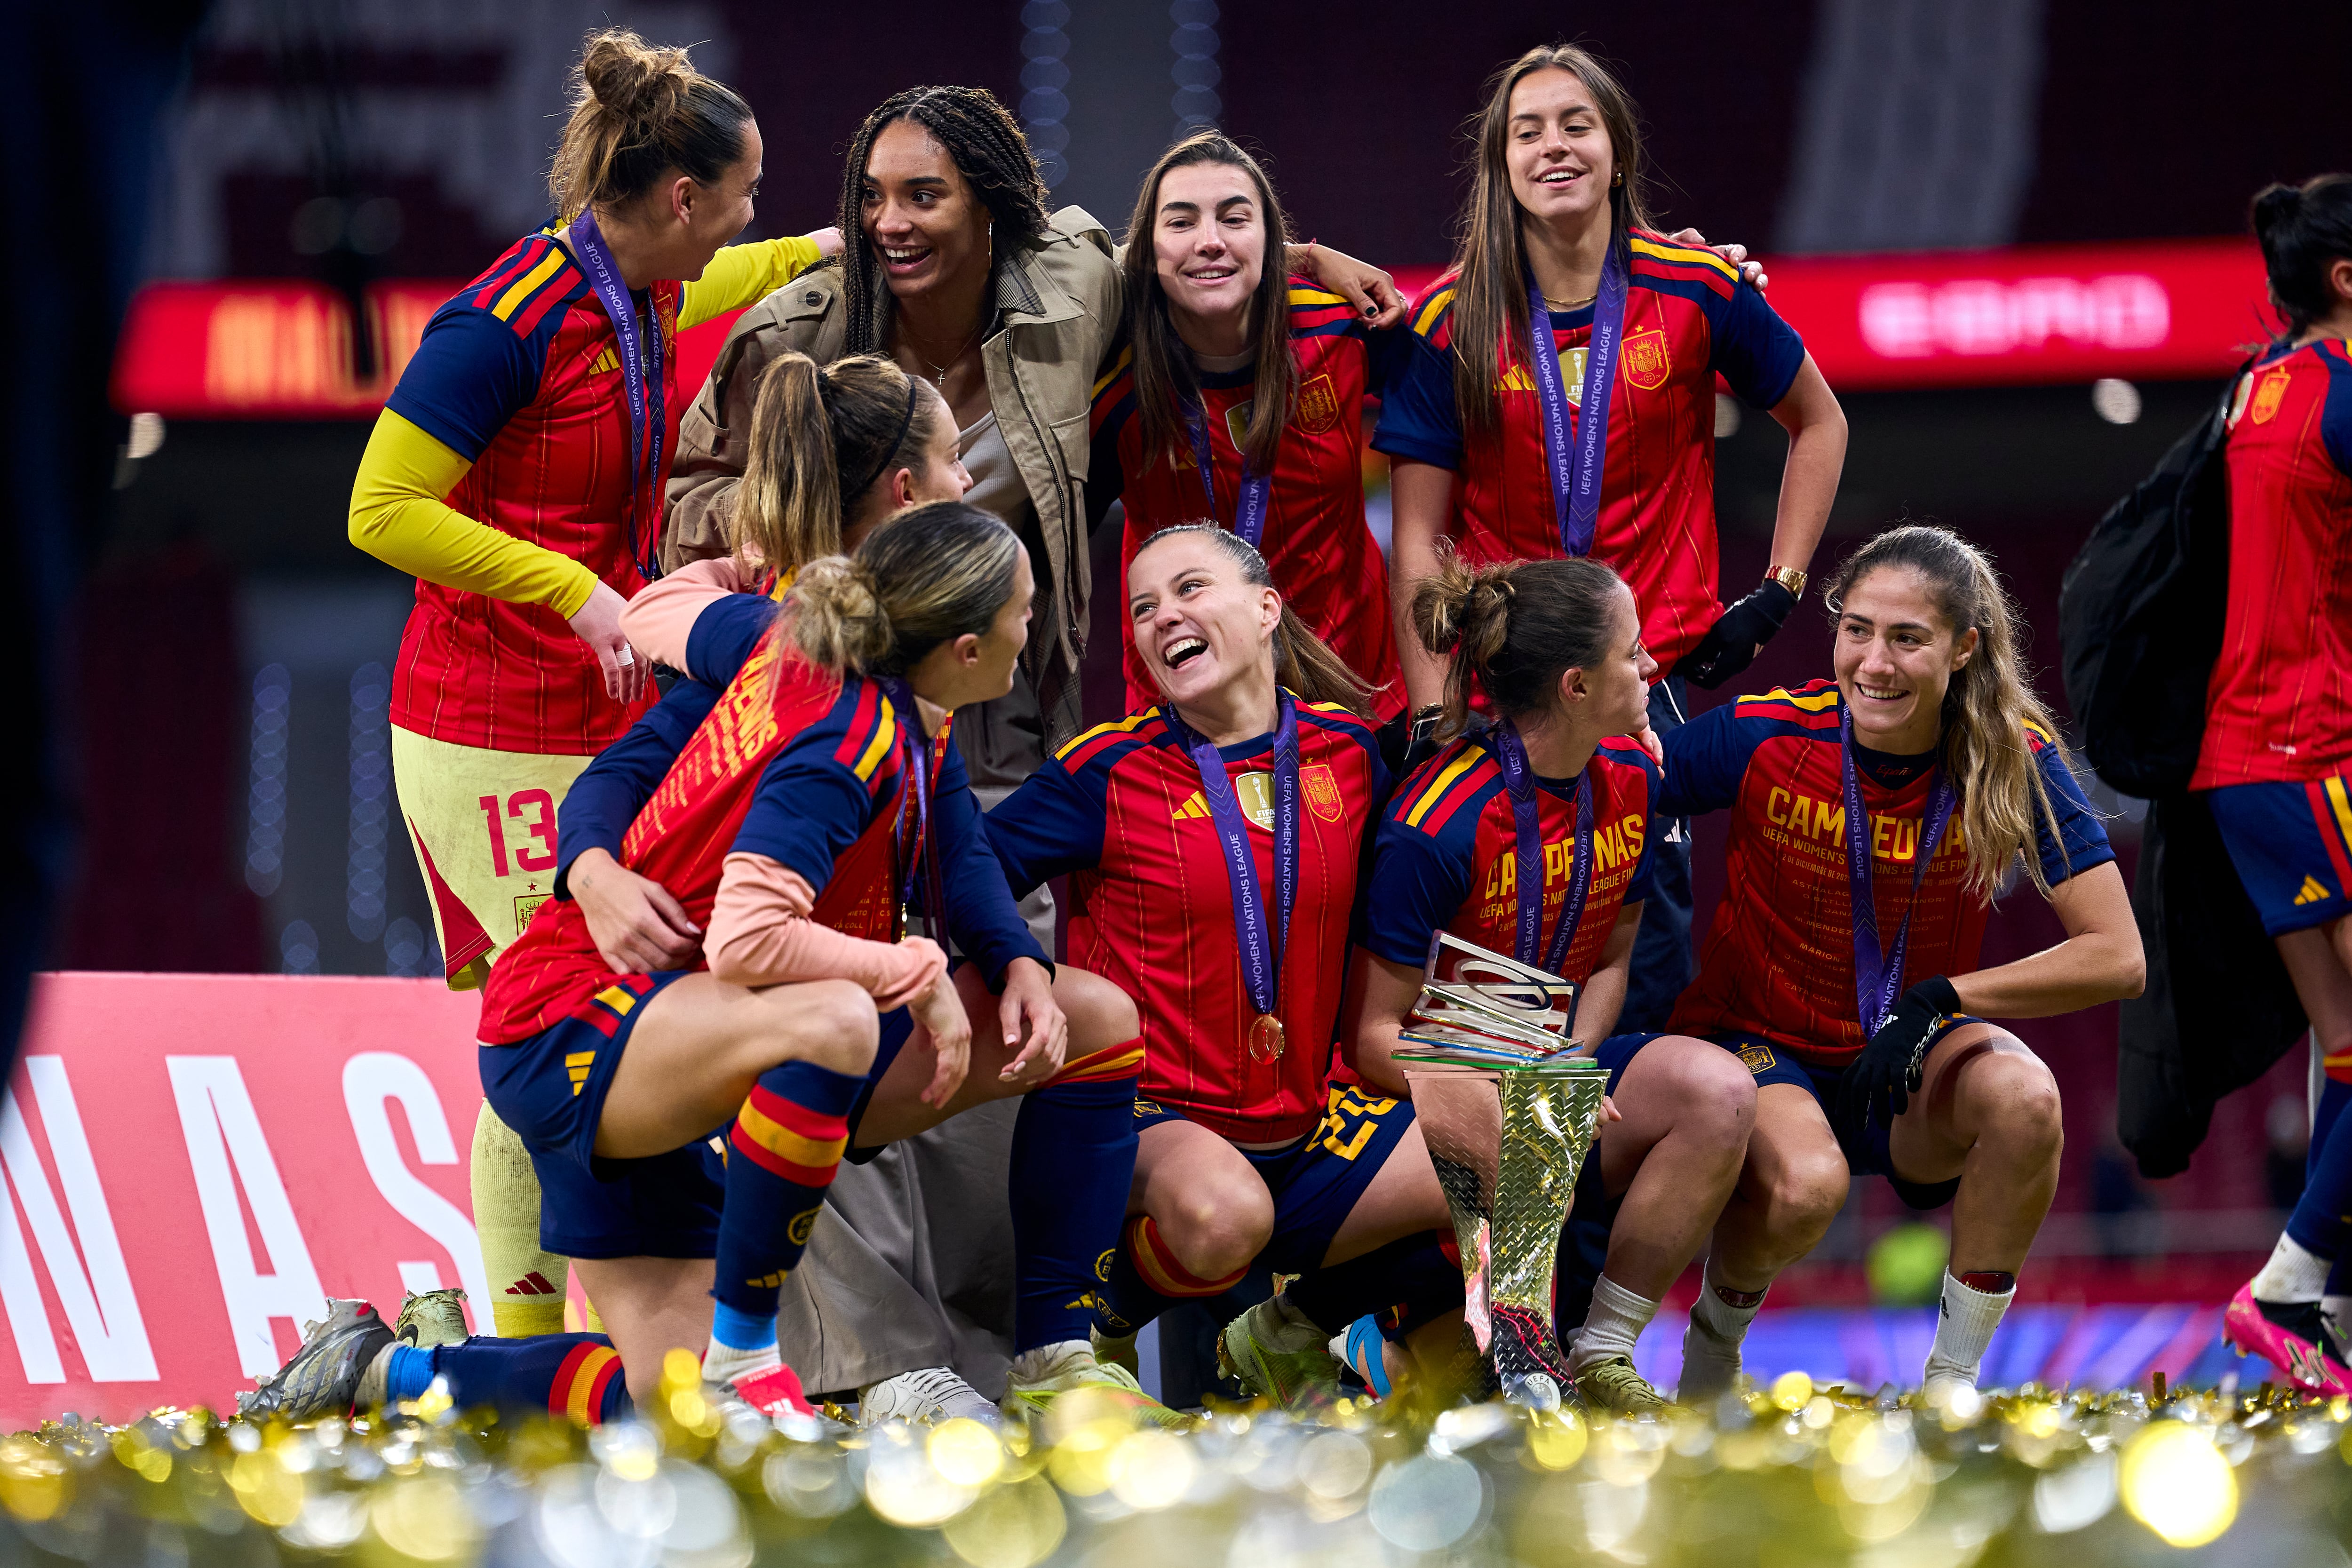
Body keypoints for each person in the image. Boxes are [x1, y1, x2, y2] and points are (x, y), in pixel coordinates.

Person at [345, 30, 838, 1338]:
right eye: (746, 193)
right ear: (681, 196)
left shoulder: (643, 287)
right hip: (481, 724)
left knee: (572, 1024)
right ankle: (522, 1370)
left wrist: (811, 258)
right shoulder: (503, 324)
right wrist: (576, 588)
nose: (751, 215)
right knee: (555, 1028)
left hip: (586, 712)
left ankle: (546, 1355)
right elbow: (380, 508)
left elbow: (727, 269)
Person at [1372, 43, 1848, 1034]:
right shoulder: (1450, 321)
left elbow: (1821, 419)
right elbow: (1417, 535)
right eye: (1527, 131)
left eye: (1576, 125)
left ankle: (1607, 1166)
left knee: (1637, 971)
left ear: (1618, 152)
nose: (1554, 146)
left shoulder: (1699, 289)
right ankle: (1516, 1181)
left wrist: (1779, 590)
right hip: (1502, 692)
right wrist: (1430, 714)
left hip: (1645, 691)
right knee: (1493, 978)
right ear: (1500, 166)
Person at [974, 524, 1469, 1405]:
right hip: (1150, 1126)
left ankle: (1292, 1327)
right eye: (1142, 608)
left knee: (1518, 1137)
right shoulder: (1107, 768)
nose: (1165, 617)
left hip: (1306, 1121)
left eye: (1190, 589)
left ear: (1267, 606)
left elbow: (1463, 809)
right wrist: (1012, 964)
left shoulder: (1351, 752)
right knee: (1225, 1212)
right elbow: (968, 867)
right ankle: (1092, 1331)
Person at [1658, 525, 2143, 1401]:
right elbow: (1613, 779)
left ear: (1964, 647)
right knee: (1809, 1183)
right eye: (1857, 629)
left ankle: (1952, 1383)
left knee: (2028, 1099)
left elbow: (2118, 955)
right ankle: (1712, 1354)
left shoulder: (2012, 755)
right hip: (1766, 1050)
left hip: (1904, 1059)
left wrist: (1942, 998)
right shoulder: (1770, 731)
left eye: (1907, 637)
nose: (1873, 662)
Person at [1344, 552, 1757, 1411]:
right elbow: (1373, 1038)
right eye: (1633, 651)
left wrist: (1563, 1060)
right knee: (1468, 1403)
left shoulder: (1637, 781)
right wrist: (1519, 1078)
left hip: (1546, 1076)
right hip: (1413, 1101)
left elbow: (1613, 958)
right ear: (1576, 685)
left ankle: (1600, 1350)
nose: (1651, 667)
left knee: (1717, 1091)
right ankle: (1342, 1315)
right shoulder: (1437, 824)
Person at [2195, 175, 2352, 1394]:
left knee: (2347, 1048)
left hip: (2243, 763)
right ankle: (2291, 1282)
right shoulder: (2344, 400)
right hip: (2313, 752)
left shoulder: (2259, 385)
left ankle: (2326, 1310)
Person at [1088, 130, 1405, 725]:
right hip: (1183, 717)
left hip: (1355, 700)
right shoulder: (1111, 384)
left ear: (1268, 239)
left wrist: (1308, 258)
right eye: (1180, 223)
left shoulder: (1341, 331)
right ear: (1149, 250)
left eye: (1235, 219)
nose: (1210, 241)